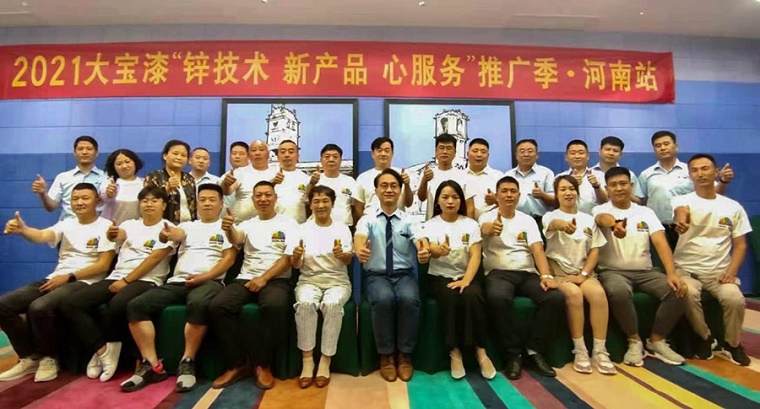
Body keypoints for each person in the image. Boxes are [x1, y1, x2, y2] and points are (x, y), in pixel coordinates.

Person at [120, 184, 236, 393]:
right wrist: (166, 235)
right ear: (196, 203)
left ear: (221, 203)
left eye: (212, 199)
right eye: (202, 199)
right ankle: (152, 365)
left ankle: (187, 361)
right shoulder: (188, 227)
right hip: (177, 281)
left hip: (209, 281)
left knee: (198, 304)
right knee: (136, 305)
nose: (207, 203)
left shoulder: (227, 228)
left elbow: (229, 259)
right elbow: (175, 234)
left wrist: (205, 276)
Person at [58, 186, 177, 382]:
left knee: (118, 304)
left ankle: (116, 349)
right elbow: (118, 235)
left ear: (164, 205)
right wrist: (112, 233)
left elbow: (154, 259)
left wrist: (126, 280)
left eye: (154, 200)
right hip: (116, 276)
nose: (149, 204)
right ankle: (101, 349)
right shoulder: (130, 225)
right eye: (145, 200)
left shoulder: (168, 229)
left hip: (146, 280)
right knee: (70, 303)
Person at [0, 183, 115, 382]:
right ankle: (29, 357)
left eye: (85, 198)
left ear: (97, 201)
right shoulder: (66, 223)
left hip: (84, 281)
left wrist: (69, 277)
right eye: (75, 198)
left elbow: (103, 265)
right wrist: (23, 229)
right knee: (3, 305)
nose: (79, 202)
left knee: (39, 307)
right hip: (56, 277)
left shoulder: (107, 226)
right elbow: (42, 235)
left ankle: (49, 358)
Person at [593, 166, 688, 367]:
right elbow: (602, 220)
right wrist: (614, 225)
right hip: (612, 272)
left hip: (646, 271)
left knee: (678, 291)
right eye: (613, 185)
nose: (619, 188)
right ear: (607, 189)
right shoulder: (599, 210)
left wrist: (672, 273)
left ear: (632, 186)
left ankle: (656, 340)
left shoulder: (645, 212)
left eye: (623, 184)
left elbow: (661, 243)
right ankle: (634, 340)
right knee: (618, 291)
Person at [210, 180, 299, 390]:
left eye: (267, 195)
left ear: (275, 198)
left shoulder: (290, 223)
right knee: (217, 306)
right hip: (246, 277)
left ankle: (262, 364)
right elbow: (236, 239)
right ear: (253, 199)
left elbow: (288, 258)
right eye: (258, 195)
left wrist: (264, 278)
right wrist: (229, 228)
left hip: (276, 279)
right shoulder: (248, 224)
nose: (263, 199)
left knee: (274, 306)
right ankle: (237, 363)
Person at [479, 176, 564, 380]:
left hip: (527, 273)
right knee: (497, 298)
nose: (509, 195)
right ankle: (513, 354)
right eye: (504, 191)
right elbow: (483, 230)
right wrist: (489, 230)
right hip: (498, 273)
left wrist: (546, 275)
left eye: (513, 191)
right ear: (496, 195)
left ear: (518, 195)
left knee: (555, 297)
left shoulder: (527, 220)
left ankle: (534, 351)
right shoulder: (486, 217)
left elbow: (537, 249)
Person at [673, 154, 751, 366]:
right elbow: (681, 212)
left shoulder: (733, 207)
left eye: (705, 168)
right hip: (686, 271)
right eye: (695, 170)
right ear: (690, 175)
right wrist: (682, 221)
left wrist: (731, 272)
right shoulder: (682, 201)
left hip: (720, 273)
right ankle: (706, 337)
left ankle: (732, 345)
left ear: (716, 172)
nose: (700, 173)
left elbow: (741, 245)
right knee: (687, 293)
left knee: (735, 299)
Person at [354, 169, 429, 383]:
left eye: (394, 186)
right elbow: (359, 238)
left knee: (409, 299)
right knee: (383, 299)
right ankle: (386, 356)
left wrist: (423, 249)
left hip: (404, 275)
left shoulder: (408, 220)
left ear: (400, 191)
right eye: (384, 185)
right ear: (376, 191)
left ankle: (404, 355)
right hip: (376, 276)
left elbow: (420, 239)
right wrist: (360, 250)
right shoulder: (367, 219)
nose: (389, 189)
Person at [422, 180, 495, 380]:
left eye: (455, 197)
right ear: (438, 201)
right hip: (439, 277)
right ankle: (454, 352)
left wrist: (466, 280)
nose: (450, 201)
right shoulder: (430, 225)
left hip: (466, 275)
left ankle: (480, 351)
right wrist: (437, 251)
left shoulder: (470, 225)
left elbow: (476, 255)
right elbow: (429, 249)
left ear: (461, 201)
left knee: (472, 295)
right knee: (450, 297)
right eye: (445, 197)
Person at [542, 175, 615, 375]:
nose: (568, 193)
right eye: (563, 189)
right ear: (556, 194)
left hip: (583, 272)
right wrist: (563, 225)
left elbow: (595, 250)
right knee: (574, 295)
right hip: (559, 272)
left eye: (572, 189)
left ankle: (600, 351)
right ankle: (580, 351)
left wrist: (583, 274)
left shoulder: (588, 219)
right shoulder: (550, 216)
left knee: (598, 295)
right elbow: (553, 224)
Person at [292, 186, 353, 388]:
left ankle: (325, 361)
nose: (321, 205)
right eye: (316, 201)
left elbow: (348, 260)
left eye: (325, 201)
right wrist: (296, 256)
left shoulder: (342, 228)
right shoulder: (302, 229)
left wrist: (342, 255)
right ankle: (307, 361)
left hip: (337, 281)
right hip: (308, 280)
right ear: (310, 205)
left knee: (332, 305)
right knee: (305, 304)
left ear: (332, 204)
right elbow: (296, 265)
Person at [639, 131, 733, 249]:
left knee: (688, 258)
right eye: (658, 146)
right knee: (662, 260)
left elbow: (714, 194)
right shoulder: (646, 174)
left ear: (676, 146)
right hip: (657, 228)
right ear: (654, 150)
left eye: (666, 144)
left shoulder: (691, 170)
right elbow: (642, 201)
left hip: (689, 227)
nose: (662, 148)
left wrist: (723, 181)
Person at [32, 135, 106, 221]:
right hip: (67, 226)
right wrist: (43, 193)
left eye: (89, 149)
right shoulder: (63, 177)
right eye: (80, 149)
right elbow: (51, 207)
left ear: (96, 152)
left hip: (95, 226)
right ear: (74, 152)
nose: (84, 152)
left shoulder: (105, 177)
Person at [417, 133, 475, 220]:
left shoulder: (464, 176)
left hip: (458, 224)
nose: (445, 152)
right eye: (441, 148)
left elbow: (469, 206)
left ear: (455, 153)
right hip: (433, 223)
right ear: (436, 152)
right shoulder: (428, 174)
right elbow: (421, 198)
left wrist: (469, 226)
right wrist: (424, 180)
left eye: (449, 148)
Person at [353, 137, 414, 217]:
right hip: (371, 221)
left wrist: (407, 184)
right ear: (372, 154)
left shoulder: (402, 174)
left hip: (397, 221)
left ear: (392, 154)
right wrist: (364, 222)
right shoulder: (363, 178)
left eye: (386, 150)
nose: (383, 154)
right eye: (379, 150)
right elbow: (358, 207)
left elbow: (408, 203)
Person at [222, 140, 278, 223]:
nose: (257, 153)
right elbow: (227, 191)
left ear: (268, 154)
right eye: (254, 150)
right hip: (241, 223)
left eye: (261, 150)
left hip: (271, 223)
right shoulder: (240, 172)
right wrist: (226, 184)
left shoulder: (277, 172)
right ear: (249, 155)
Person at [504, 139, 555, 227]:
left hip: (539, 221)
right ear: (516, 155)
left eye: (530, 151)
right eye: (522, 151)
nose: (526, 154)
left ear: (537, 155)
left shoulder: (546, 173)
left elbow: (555, 201)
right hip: (514, 221)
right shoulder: (508, 175)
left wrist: (542, 195)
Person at [144, 139, 196, 225]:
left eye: (183, 155)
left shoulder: (189, 179)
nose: (179, 157)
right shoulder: (154, 176)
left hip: (189, 226)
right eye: (175, 153)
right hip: (164, 226)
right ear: (165, 156)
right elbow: (148, 201)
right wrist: (166, 189)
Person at [312, 144, 358, 227]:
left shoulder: (350, 181)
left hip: (346, 227)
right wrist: (311, 183)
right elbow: (307, 205)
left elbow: (354, 207)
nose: (331, 160)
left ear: (341, 160)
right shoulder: (313, 181)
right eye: (327, 157)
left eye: (335, 157)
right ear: (321, 160)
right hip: (320, 227)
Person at [556, 140, 607, 214]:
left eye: (581, 153)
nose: (577, 156)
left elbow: (606, 202)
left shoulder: (600, 175)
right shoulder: (560, 177)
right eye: (573, 153)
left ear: (588, 156)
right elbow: (555, 202)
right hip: (567, 218)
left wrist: (596, 186)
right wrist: (571, 185)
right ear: (566, 157)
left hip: (594, 218)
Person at [590, 136, 644, 204]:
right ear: (600, 151)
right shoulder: (589, 173)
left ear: (620, 154)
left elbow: (639, 202)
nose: (611, 153)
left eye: (615, 151)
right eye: (607, 149)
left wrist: (625, 192)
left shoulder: (628, 175)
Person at [101, 149, 145, 225]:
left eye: (127, 162)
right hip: (113, 228)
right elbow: (104, 198)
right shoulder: (109, 183)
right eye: (119, 164)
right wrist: (109, 195)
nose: (124, 166)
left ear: (135, 162)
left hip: (139, 228)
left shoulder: (145, 183)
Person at [273, 140, 311, 223]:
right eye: (283, 152)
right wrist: (272, 183)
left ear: (298, 156)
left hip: (298, 226)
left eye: (291, 152)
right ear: (278, 156)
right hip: (274, 226)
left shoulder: (306, 179)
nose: (287, 155)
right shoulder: (269, 176)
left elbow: (309, 206)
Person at [465, 138, 502, 220]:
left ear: (488, 155)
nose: (479, 155)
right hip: (465, 223)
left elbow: (508, 203)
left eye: (483, 152)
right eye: (475, 151)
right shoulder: (459, 176)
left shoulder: (498, 176)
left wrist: (496, 200)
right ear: (467, 154)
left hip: (492, 223)